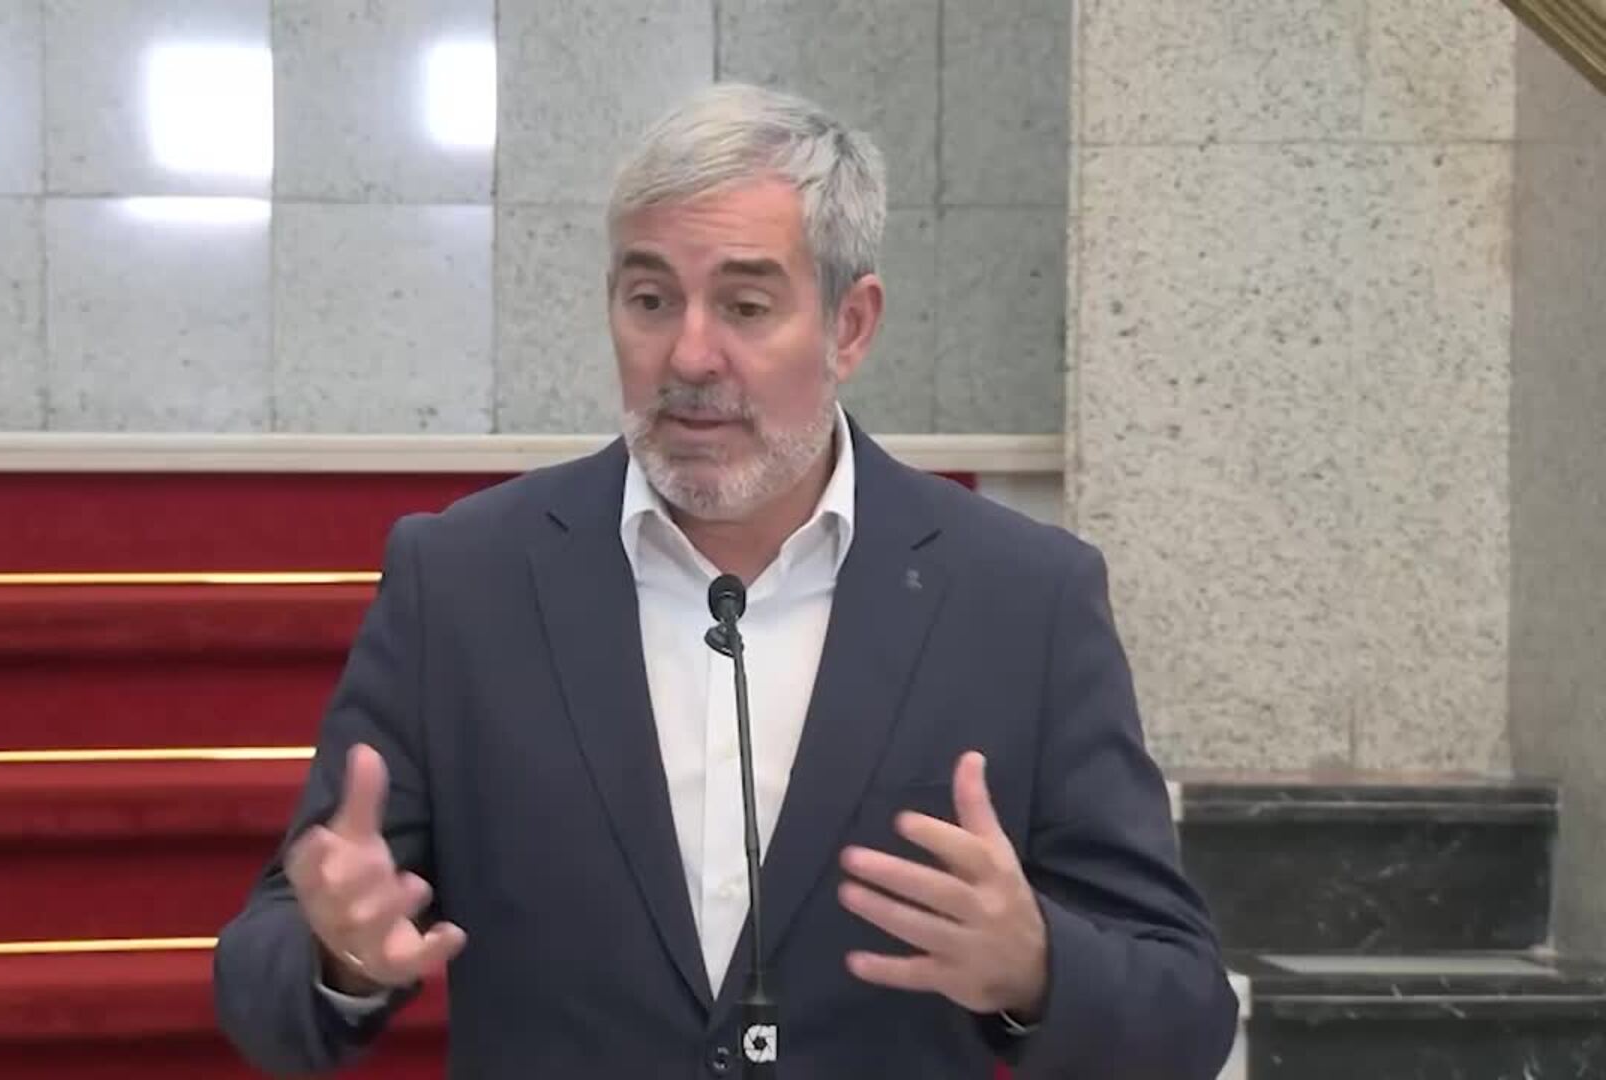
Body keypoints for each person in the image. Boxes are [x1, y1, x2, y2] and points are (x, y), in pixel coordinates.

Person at [213, 82, 1238, 1078]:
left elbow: (1183, 1013)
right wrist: (338, 959)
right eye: (650, 299)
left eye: (746, 305)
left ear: (850, 326)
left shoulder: (1021, 600)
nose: (690, 355)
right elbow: (266, 983)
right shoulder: (464, 582)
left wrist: (1037, 968)